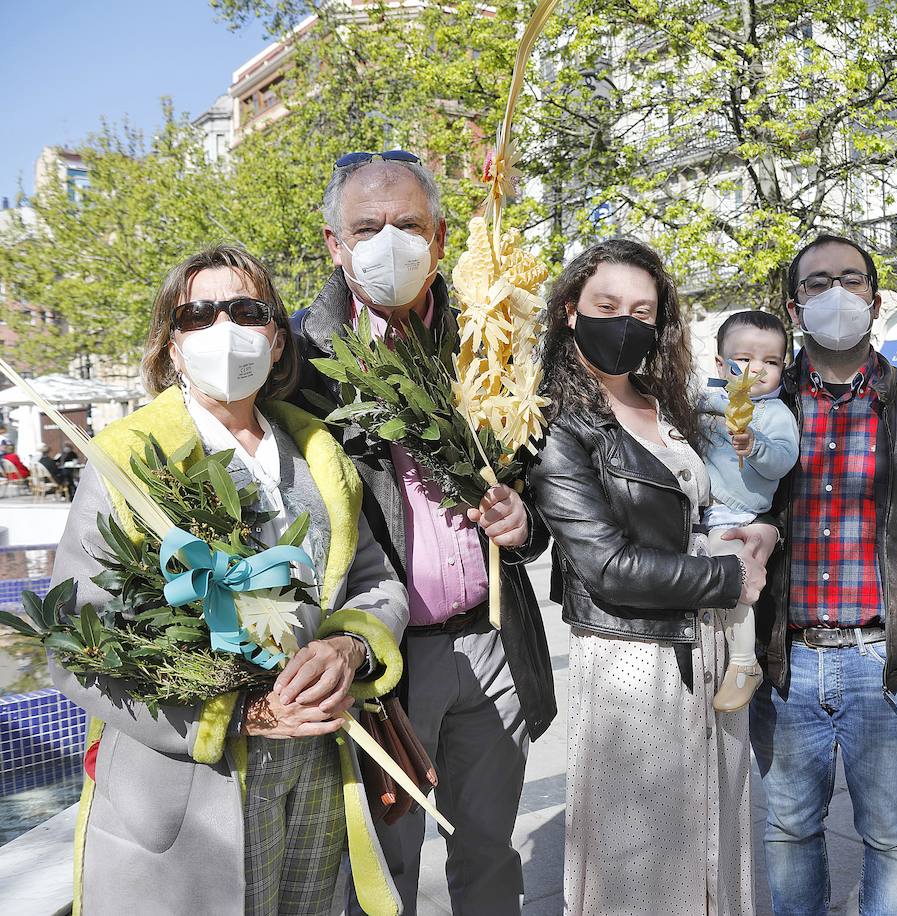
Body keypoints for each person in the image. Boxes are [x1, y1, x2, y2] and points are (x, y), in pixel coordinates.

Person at [50, 245, 410, 916]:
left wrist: (348, 648)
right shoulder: (128, 463)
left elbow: (376, 580)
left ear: (277, 341)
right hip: (191, 787)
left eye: (247, 310)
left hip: (318, 774)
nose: (226, 329)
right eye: (199, 314)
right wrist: (235, 714)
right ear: (173, 346)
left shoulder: (317, 454)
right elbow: (75, 644)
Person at [290, 150, 555, 916]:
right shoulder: (303, 361)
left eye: (408, 224)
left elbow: (536, 485)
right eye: (366, 227)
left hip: (493, 643)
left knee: (491, 858)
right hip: (385, 664)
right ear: (335, 246)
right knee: (382, 870)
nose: (389, 242)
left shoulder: (491, 339)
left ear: (440, 237)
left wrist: (524, 521)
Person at [527, 239, 777, 916]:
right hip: (633, 659)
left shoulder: (665, 404)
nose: (625, 323)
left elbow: (681, 519)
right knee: (639, 861)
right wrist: (726, 576)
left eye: (643, 310)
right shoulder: (557, 425)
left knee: (712, 848)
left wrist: (740, 535)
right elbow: (604, 564)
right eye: (607, 306)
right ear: (571, 312)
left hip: (712, 645)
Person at [750, 233, 897, 915]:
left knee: (893, 838)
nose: (835, 294)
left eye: (850, 280)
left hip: (886, 662)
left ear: (876, 302)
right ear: (794, 308)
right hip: (786, 662)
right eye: (817, 282)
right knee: (790, 832)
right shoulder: (758, 408)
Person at [699, 309, 800, 711]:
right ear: (721, 364)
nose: (757, 369)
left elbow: (783, 460)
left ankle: (744, 663)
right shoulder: (707, 403)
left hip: (738, 517)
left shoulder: (775, 414)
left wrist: (754, 444)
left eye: (772, 362)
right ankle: (724, 657)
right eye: (745, 359)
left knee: (734, 581)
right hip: (701, 513)